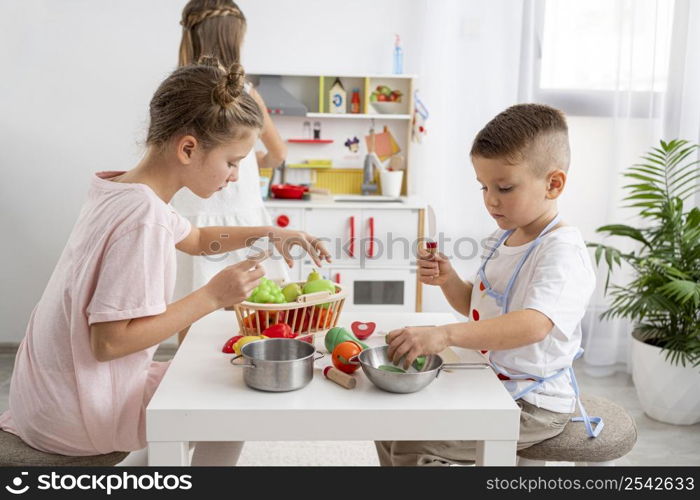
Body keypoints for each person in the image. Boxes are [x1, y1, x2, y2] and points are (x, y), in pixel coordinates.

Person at [0, 59, 330, 465]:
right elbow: (108, 343)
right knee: (235, 392)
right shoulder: (144, 220)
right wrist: (213, 295)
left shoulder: (123, 189)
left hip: (44, 396)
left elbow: (196, 239)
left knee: (212, 374)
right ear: (188, 148)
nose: (233, 176)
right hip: (75, 411)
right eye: (232, 162)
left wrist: (269, 233)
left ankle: (149, 466)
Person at [378, 104, 598, 466]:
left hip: (532, 401)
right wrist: (449, 280)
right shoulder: (502, 237)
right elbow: (478, 308)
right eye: (483, 186)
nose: (490, 199)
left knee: (412, 445)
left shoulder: (562, 252)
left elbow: (533, 324)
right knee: (392, 422)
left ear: (553, 184)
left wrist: (445, 335)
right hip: (490, 379)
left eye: (505, 187)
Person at [173, 0, 289, 315]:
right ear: (235, 42)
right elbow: (278, 153)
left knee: (190, 309)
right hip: (240, 215)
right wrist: (255, 161)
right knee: (248, 314)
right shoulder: (245, 95)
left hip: (189, 215)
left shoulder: (177, 92)